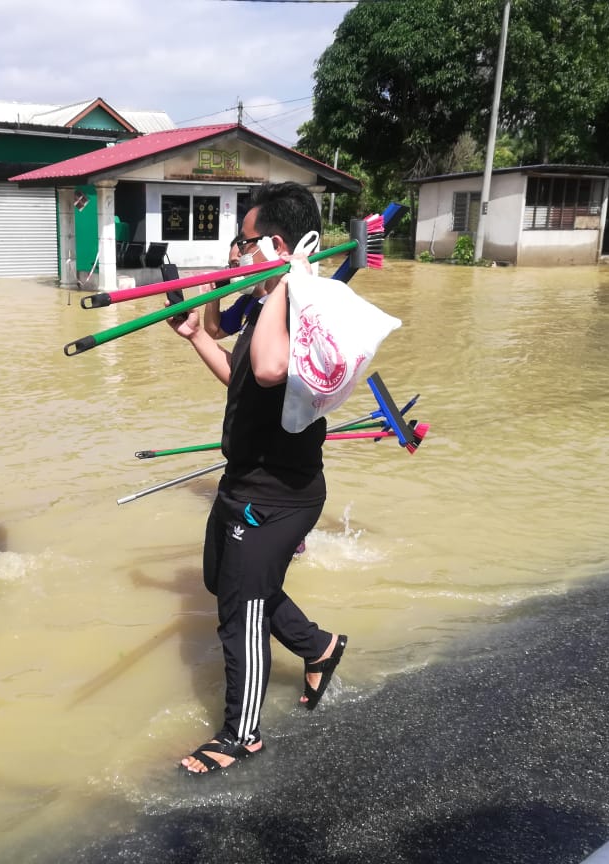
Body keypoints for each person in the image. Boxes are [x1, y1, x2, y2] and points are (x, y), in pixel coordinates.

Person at [171, 182, 347, 774]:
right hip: (244, 476)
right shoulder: (272, 297)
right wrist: (199, 336)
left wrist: (287, 279)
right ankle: (319, 646)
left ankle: (241, 734)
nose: (236, 253)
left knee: (241, 604)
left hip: (281, 491)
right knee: (224, 581)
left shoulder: (304, 303)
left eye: (243, 243)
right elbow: (243, 378)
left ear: (273, 244)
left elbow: (272, 368)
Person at [202, 234, 309, 557]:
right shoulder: (251, 302)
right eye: (231, 265)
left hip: (276, 464)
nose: (237, 269)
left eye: (240, 261)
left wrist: (293, 278)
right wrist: (213, 293)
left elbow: (266, 372)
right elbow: (215, 331)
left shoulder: (296, 302)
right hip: (249, 456)